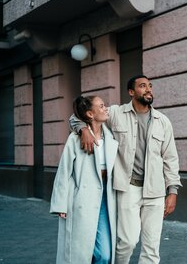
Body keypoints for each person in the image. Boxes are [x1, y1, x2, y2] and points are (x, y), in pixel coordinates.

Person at [69, 75, 182, 264]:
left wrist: (173, 191)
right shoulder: (116, 113)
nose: (148, 89)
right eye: (143, 86)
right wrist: (84, 130)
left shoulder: (163, 121)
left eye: (150, 86)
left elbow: (170, 158)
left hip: (155, 190)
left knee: (151, 248)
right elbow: (77, 115)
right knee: (126, 242)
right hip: (128, 188)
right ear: (131, 92)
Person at [50, 95, 118, 264]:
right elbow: (64, 171)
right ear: (90, 113)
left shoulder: (110, 136)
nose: (105, 109)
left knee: (105, 255)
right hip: (80, 198)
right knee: (79, 252)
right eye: (101, 106)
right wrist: (60, 204)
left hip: (105, 198)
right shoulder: (75, 138)